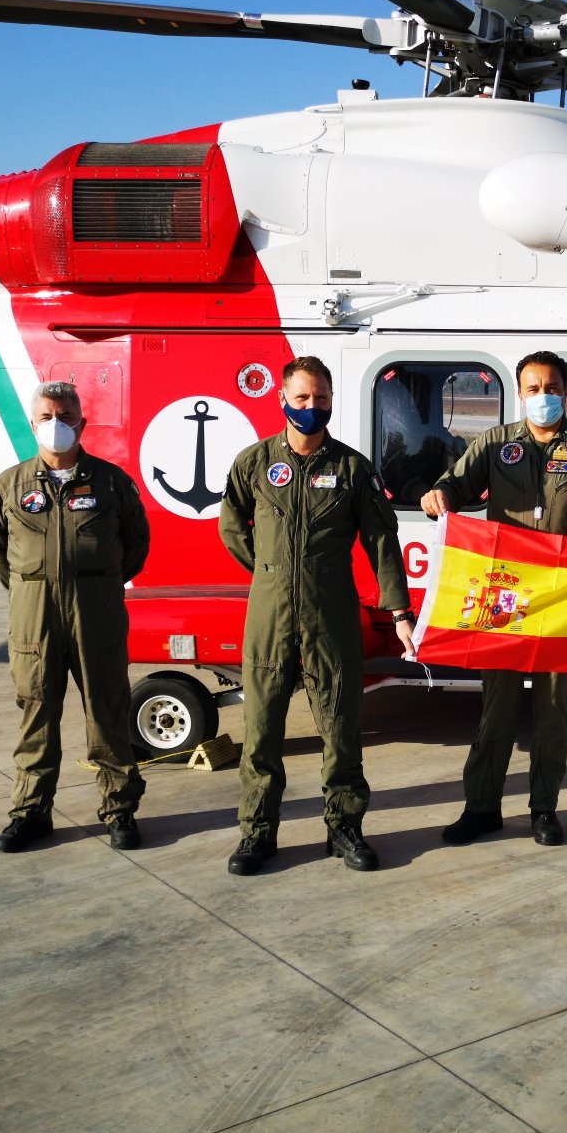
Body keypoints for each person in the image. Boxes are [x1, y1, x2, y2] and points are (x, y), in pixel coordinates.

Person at [419, 350, 567, 846]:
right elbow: (455, 485)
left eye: (553, 387)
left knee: (551, 713)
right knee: (495, 709)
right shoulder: (496, 445)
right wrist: (440, 495)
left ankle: (544, 809)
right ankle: (481, 808)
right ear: (520, 393)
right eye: (534, 388)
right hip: (505, 599)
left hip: (563, 601)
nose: (544, 396)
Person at [219, 355, 416, 875]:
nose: (312, 407)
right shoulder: (254, 463)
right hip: (269, 617)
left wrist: (399, 610)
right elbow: (231, 524)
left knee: (342, 728)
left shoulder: (352, 469)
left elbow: (381, 542)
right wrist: (269, 570)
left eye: (321, 398)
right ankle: (257, 834)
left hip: (331, 613)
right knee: (261, 731)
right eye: (302, 398)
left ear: (331, 400)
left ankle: (345, 829)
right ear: (282, 399)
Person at [0, 380, 150, 853]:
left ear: (82, 423)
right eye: (47, 416)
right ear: (33, 423)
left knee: (108, 711)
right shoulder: (10, 484)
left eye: (66, 416)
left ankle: (119, 811)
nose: (57, 424)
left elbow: (136, 546)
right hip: (34, 617)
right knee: (36, 714)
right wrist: (30, 588)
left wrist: (97, 581)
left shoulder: (112, 482)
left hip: (96, 612)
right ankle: (31, 813)